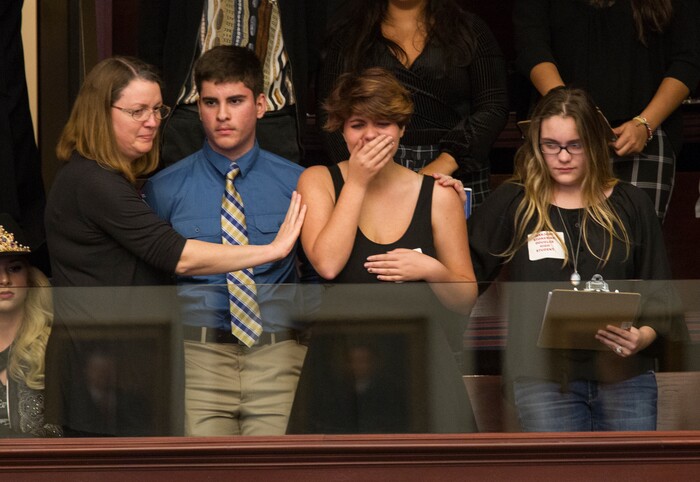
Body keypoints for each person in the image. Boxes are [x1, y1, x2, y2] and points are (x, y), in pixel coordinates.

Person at [43, 56, 305, 436]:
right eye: (137, 111)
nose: (151, 122)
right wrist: (271, 250)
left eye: (156, 109)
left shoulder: (111, 179)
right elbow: (176, 254)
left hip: (130, 367)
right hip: (100, 370)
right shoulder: (94, 181)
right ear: (100, 114)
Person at [468, 86, 688, 432]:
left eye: (575, 145)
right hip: (543, 378)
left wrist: (643, 336)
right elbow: (466, 273)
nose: (563, 157)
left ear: (595, 143)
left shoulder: (630, 203)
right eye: (550, 146)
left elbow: (659, 290)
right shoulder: (515, 201)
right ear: (537, 146)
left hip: (624, 376)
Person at [290, 68, 478, 433]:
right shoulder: (318, 180)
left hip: (418, 361)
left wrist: (429, 268)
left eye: (383, 123)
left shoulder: (438, 195)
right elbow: (327, 264)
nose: (371, 135)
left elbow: (465, 298)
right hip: (339, 362)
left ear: (402, 128)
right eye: (358, 124)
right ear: (341, 129)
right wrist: (357, 181)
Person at [143, 46, 312, 436]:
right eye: (210, 102)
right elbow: (153, 280)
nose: (222, 115)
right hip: (198, 356)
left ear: (261, 104)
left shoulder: (297, 183)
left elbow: (319, 271)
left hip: (278, 353)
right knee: (203, 471)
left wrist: (300, 338)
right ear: (197, 107)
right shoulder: (164, 188)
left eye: (235, 101)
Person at [513, 0, 700, 221]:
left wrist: (645, 124)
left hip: (643, 136)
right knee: (554, 241)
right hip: (562, 131)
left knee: (633, 245)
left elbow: (688, 58)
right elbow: (531, 46)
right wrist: (569, 111)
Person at [318, 0, 509, 207]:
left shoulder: (470, 30)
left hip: (459, 166)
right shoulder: (350, 36)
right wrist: (361, 172)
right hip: (371, 167)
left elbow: (494, 105)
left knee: (461, 239)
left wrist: (445, 163)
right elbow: (330, 113)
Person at [138, 0, 340, 167]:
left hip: (273, 116)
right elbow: (152, 35)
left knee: (274, 211)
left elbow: (316, 34)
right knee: (186, 210)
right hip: (191, 116)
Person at [0, 213, 61, 437]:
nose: (4, 280)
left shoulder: (54, 345)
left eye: (14, 268)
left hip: (42, 468)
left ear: (29, 276)